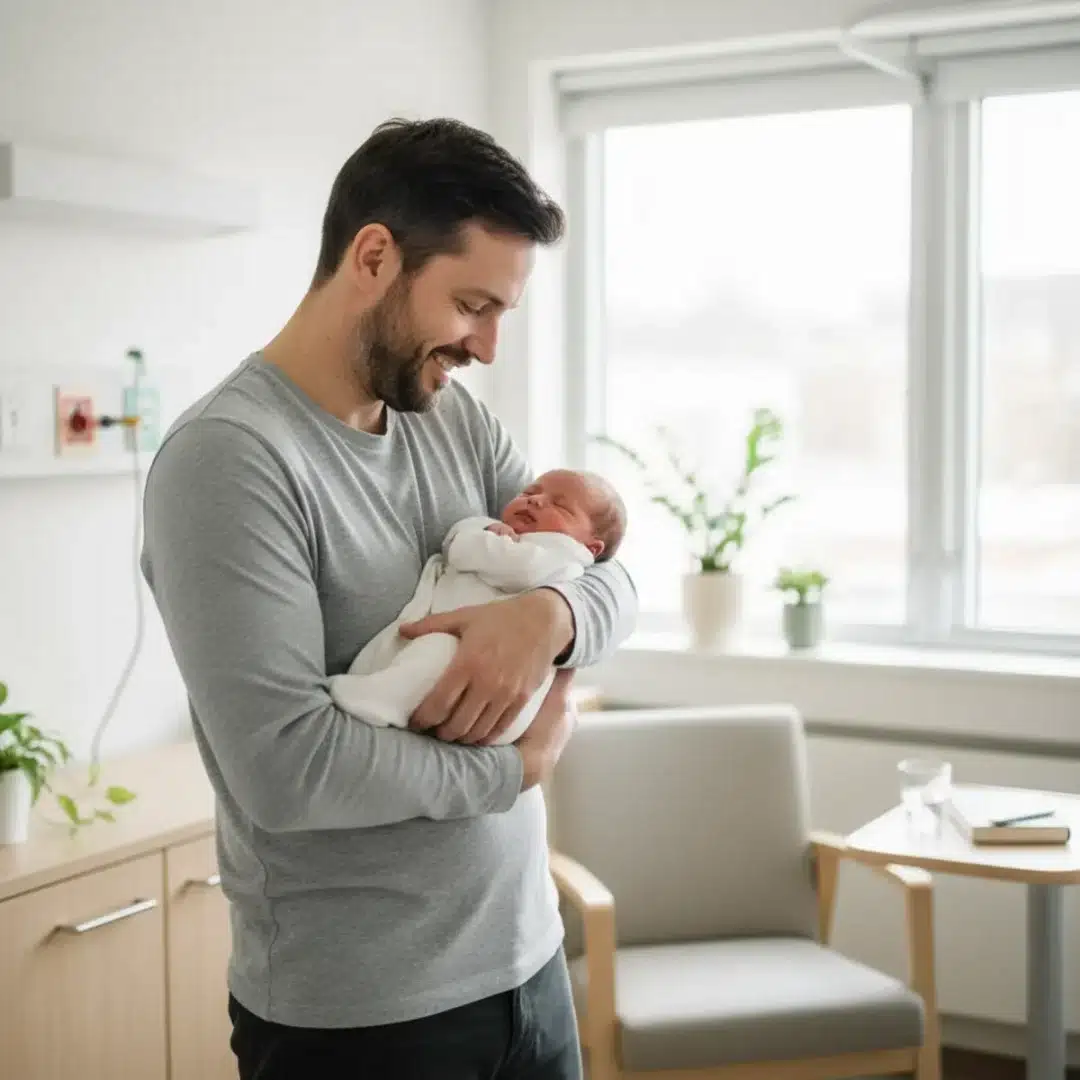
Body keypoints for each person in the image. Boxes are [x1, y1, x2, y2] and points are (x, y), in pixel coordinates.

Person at [140, 116, 637, 1080]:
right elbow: (287, 769)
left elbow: (605, 567)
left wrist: (550, 619)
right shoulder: (230, 463)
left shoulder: (450, 418)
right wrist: (513, 772)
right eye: (471, 305)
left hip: (528, 963)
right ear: (374, 256)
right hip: (363, 1018)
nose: (488, 345)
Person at [329, 468, 627, 743]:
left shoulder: (561, 559)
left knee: (438, 652)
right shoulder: (502, 533)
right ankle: (369, 686)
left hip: (493, 704)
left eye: (560, 506)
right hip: (437, 651)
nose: (535, 500)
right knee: (397, 649)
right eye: (528, 493)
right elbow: (458, 540)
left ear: (590, 549)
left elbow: (481, 556)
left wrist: (491, 538)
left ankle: (380, 702)